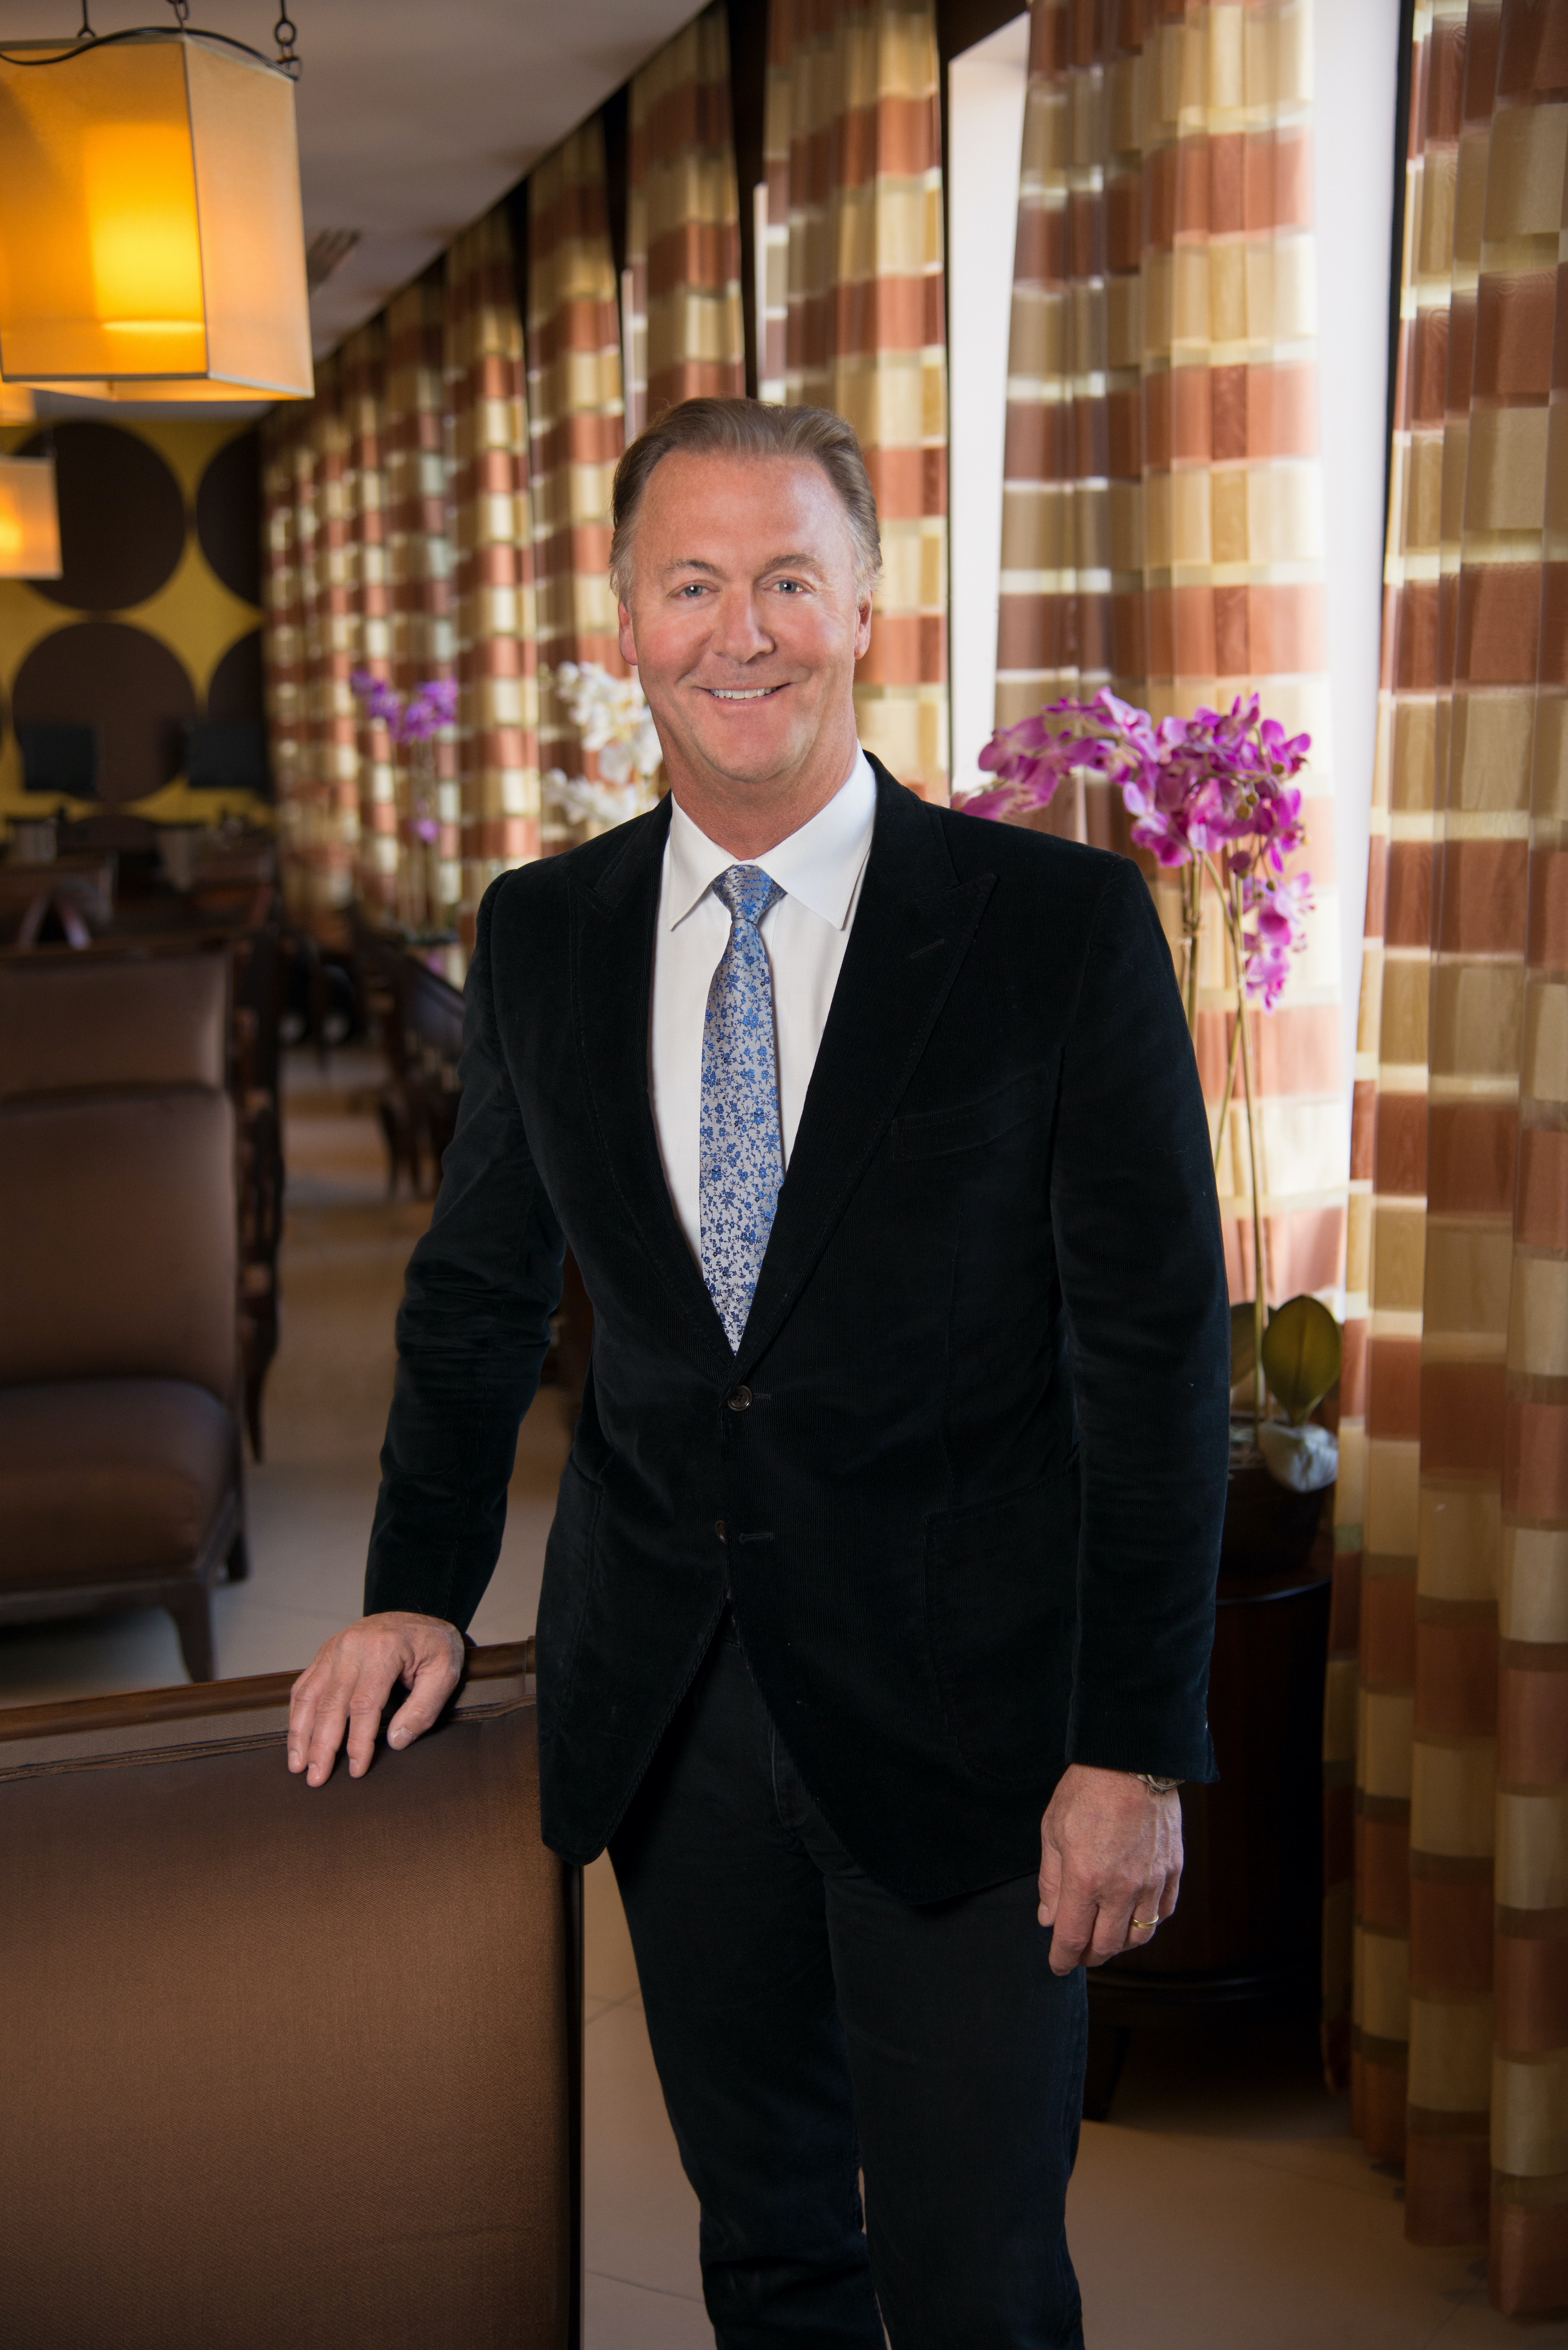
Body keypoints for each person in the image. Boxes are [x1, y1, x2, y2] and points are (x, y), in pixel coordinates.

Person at [287, 397, 1229, 2348]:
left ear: (868, 607)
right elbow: (475, 1302)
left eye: (790, 580)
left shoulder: (1054, 928)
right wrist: (413, 1590)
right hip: (671, 1708)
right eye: (693, 584)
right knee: (769, 2253)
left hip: (977, 1728)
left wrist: (1133, 1748)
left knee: (979, 2283)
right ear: (625, 619)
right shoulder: (541, 934)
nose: (743, 634)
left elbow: (1155, 1369)